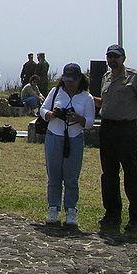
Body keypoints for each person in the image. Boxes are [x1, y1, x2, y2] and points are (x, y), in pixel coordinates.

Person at [95, 44, 137, 235]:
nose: (112, 59)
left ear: (123, 58)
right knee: (109, 174)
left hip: (126, 129)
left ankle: (136, 217)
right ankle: (112, 214)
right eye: (109, 56)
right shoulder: (105, 78)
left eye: (116, 56)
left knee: (131, 173)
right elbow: (105, 102)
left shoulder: (134, 77)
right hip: (107, 128)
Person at [39, 63, 95, 227]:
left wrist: (79, 119)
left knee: (71, 176)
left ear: (79, 79)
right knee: (54, 175)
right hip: (54, 136)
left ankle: (71, 210)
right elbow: (43, 109)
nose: (69, 83)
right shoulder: (56, 92)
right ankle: (53, 208)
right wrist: (51, 114)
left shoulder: (86, 97)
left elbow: (90, 122)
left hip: (74, 137)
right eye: (66, 80)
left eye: (72, 80)